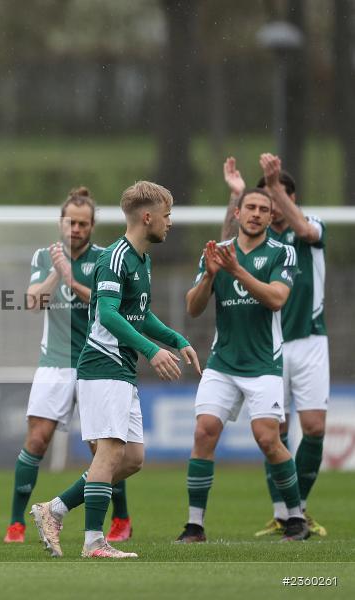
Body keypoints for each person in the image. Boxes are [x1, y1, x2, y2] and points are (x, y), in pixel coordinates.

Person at [30, 181, 199, 559]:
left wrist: (176, 339)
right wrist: (151, 351)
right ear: (147, 216)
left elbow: (139, 313)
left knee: (132, 458)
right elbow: (107, 313)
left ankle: (53, 509)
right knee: (109, 453)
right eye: (167, 215)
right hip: (102, 366)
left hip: (121, 368)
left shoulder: (142, 258)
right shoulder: (116, 257)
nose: (170, 223)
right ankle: (94, 541)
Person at [176, 187, 308, 542]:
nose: (256, 213)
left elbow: (277, 299)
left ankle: (296, 518)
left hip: (264, 362)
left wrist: (237, 272)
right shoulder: (216, 254)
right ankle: (195, 525)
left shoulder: (283, 252)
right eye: (250, 206)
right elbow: (192, 307)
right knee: (204, 431)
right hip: (223, 361)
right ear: (237, 213)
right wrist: (210, 276)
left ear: (270, 216)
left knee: (267, 438)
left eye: (263, 209)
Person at [6, 189, 132, 544]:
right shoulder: (44, 257)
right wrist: (57, 274)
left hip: (95, 361)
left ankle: (121, 519)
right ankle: (15, 523)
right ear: (61, 222)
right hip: (55, 363)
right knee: (36, 439)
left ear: (92, 226)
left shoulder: (106, 258)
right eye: (70, 222)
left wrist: (73, 280)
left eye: (82, 223)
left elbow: (109, 305)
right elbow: (32, 302)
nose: (75, 229)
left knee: (102, 448)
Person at [221, 156, 328, 537]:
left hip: (312, 340)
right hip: (274, 344)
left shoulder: (308, 228)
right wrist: (236, 195)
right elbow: (226, 247)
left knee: (314, 427)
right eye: (261, 201)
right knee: (274, 430)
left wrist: (275, 186)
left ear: (290, 198)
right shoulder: (262, 240)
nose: (267, 208)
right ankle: (285, 513)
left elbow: (301, 225)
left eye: (275, 199)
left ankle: (299, 507)